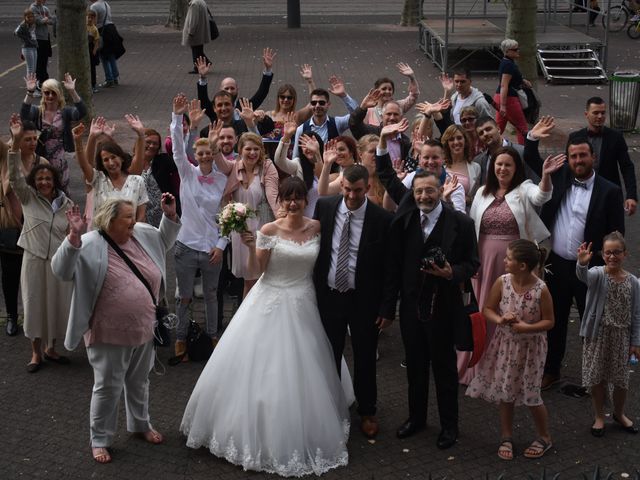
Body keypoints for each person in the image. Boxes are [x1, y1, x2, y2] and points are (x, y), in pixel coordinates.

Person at [181, 177, 349, 477]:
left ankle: (308, 422)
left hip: (305, 299)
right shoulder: (268, 230)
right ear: (280, 202)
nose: (294, 203)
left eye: (298, 197)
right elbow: (259, 270)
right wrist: (254, 243)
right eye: (288, 198)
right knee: (265, 365)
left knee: (309, 362)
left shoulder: (316, 227)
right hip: (271, 295)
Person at [51, 196, 181, 464]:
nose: (134, 221)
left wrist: (169, 218)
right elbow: (61, 270)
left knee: (139, 380)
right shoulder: (89, 243)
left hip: (144, 326)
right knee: (108, 386)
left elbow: (163, 243)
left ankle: (140, 424)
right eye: (128, 217)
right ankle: (99, 439)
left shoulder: (142, 233)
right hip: (107, 331)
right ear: (110, 221)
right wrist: (73, 236)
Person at [377, 161, 479, 449]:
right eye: (419, 191)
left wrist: (452, 273)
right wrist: (388, 309)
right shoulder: (405, 220)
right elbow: (393, 268)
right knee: (415, 368)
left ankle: (450, 426)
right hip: (411, 308)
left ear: (440, 191)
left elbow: (472, 262)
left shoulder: (461, 223)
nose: (424, 196)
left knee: (445, 370)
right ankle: (416, 418)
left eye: (430, 191)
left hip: (443, 308)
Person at [524, 118, 626, 390]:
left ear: (593, 157)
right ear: (567, 158)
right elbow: (531, 158)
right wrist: (532, 136)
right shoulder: (558, 177)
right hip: (557, 265)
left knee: (592, 323)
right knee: (554, 320)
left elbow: (616, 235)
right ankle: (552, 369)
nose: (578, 160)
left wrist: (610, 271)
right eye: (573, 156)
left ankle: (595, 377)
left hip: (590, 270)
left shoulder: (610, 191)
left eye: (583, 155)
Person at [313, 164, 393, 439]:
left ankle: (368, 410)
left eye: (357, 191)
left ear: (367, 188)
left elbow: (389, 269)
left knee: (365, 356)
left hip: (364, 301)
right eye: (346, 189)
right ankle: (330, 407)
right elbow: (316, 251)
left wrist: (386, 307)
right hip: (330, 296)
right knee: (328, 354)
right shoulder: (325, 208)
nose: (351, 196)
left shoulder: (382, 219)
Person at [466, 240, 555, 460]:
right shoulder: (502, 282)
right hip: (506, 345)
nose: (504, 261)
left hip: (531, 349)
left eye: (508, 258)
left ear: (522, 265)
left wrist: (528, 328)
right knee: (506, 391)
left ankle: (544, 437)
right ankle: (506, 436)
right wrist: (500, 318)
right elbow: (487, 309)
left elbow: (550, 322)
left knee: (532, 393)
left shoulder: (540, 289)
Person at [8, 114, 73, 373]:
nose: (44, 182)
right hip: (34, 259)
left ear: (55, 181)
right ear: (34, 182)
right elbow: (14, 177)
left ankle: (51, 348)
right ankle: (36, 353)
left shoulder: (66, 205)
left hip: (57, 262)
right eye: (40, 179)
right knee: (34, 305)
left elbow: (72, 235)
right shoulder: (28, 198)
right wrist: (14, 141)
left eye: (48, 179)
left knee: (56, 305)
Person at [170, 94, 228, 359]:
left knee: (212, 296)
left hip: (212, 251)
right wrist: (181, 121)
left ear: (214, 154)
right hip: (185, 246)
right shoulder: (187, 172)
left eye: (209, 152)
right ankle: (180, 338)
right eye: (200, 152)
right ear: (196, 155)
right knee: (184, 297)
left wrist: (221, 245)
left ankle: (214, 336)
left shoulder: (221, 180)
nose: (205, 155)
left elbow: (227, 217)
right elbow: (177, 150)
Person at [577, 233, 640, 437]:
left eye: (617, 252)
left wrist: (635, 342)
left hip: (621, 336)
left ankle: (619, 413)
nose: (612, 256)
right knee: (597, 378)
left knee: (621, 380)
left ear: (625, 254)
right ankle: (599, 416)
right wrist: (581, 264)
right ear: (602, 255)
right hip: (598, 335)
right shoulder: (597, 274)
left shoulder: (633, 283)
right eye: (608, 253)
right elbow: (583, 276)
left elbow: (637, 314)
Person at [210, 123, 279, 298]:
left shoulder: (267, 167)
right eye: (248, 149)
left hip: (263, 227)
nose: (253, 153)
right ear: (240, 151)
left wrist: (281, 222)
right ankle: (246, 320)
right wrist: (213, 145)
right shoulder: (233, 167)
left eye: (257, 149)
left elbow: (273, 195)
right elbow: (219, 162)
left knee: (263, 278)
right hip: (241, 231)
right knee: (248, 279)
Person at [0, 121, 48, 337]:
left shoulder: (42, 162)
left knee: (34, 274)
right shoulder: (7, 157)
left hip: (36, 227)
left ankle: (33, 315)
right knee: (10, 274)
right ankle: (11, 315)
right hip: (11, 225)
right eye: (26, 139)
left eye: (34, 139)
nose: (31, 143)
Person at [568, 97, 637, 216]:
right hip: (581, 194)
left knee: (614, 232)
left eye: (603, 113)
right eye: (595, 113)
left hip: (609, 195)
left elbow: (627, 167)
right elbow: (568, 167)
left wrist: (631, 196)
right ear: (586, 114)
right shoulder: (575, 137)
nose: (600, 116)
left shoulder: (616, 137)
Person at [73, 117, 148, 225]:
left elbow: (141, 217)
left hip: (128, 237)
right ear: (102, 164)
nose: (111, 163)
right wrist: (87, 138)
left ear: (121, 158)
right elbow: (85, 164)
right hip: (101, 238)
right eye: (106, 160)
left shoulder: (136, 180)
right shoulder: (97, 179)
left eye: (113, 157)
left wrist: (141, 135)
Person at [21, 73, 87, 193]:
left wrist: (72, 91)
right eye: (47, 93)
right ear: (43, 94)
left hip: (60, 159)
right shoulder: (37, 112)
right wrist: (30, 92)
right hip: (40, 156)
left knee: (61, 189)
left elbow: (81, 112)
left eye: (54, 93)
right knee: (41, 187)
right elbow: (24, 115)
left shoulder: (65, 112)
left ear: (59, 94)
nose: (50, 96)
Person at [197, 48, 275, 122]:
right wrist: (203, 78)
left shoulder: (244, 105)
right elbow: (203, 100)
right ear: (220, 90)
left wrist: (268, 70)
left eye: (232, 88)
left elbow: (261, 94)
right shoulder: (216, 106)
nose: (230, 91)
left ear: (237, 89)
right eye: (226, 88)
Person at [275, 114, 323, 216]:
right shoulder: (298, 164)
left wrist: (317, 154)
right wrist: (286, 137)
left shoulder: (330, 165)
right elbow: (279, 161)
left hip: (323, 220)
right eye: (303, 145)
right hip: (301, 221)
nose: (307, 148)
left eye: (311, 144)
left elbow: (323, 177)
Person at [473, 116, 539, 185]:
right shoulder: (479, 161)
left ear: (498, 129)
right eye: (481, 133)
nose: (485, 134)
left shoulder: (522, 152)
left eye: (488, 129)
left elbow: (534, 182)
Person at [292, 88, 353, 160]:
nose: (317, 106)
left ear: (328, 104)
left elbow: (358, 115)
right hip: (310, 170)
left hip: (332, 170)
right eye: (314, 103)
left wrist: (344, 96)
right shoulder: (301, 129)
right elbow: (296, 157)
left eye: (321, 103)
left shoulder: (337, 123)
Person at [494, 39, 530, 145]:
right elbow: (504, 85)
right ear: (507, 51)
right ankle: (524, 152)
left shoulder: (507, 62)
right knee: (521, 127)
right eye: (515, 49)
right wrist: (504, 105)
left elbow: (507, 81)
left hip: (501, 97)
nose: (518, 51)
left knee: (498, 127)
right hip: (509, 99)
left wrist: (522, 80)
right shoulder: (508, 65)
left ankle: (489, 148)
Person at [440, 124, 481, 204]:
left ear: (465, 141)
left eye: (459, 138)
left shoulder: (476, 167)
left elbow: (478, 199)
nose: (456, 142)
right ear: (447, 144)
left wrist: (466, 199)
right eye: (451, 139)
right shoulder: (441, 167)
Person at [90, 0, 124, 88]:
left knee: (104, 56)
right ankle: (115, 77)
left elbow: (94, 22)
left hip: (102, 31)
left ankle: (109, 79)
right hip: (111, 30)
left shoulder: (94, 6)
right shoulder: (106, 4)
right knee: (111, 55)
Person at [30, 0, 55, 89]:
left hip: (45, 37)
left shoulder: (45, 8)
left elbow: (52, 21)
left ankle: (44, 80)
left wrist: (45, 19)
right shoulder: (33, 8)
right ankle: (38, 82)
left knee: (45, 60)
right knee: (39, 61)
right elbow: (38, 21)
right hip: (38, 38)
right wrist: (45, 19)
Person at [182, 0, 212, 72]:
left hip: (196, 32)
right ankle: (204, 63)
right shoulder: (201, 1)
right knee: (198, 49)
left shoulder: (194, 4)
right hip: (201, 31)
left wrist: (191, 32)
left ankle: (197, 67)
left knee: (195, 50)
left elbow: (193, 20)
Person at [14, 9, 38, 78]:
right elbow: (16, 32)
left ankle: (33, 85)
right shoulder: (23, 25)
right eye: (28, 17)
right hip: (27, 48)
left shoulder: (32, 24)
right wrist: (26, 39)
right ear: (25, 17)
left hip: (34, 47)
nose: (30, 18)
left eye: (32, 16)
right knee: (30, 68)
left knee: (34, 69)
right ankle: (30, 86)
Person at [86, 10, 100, 93]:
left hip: (91, 49)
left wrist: (94, 50)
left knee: (92, 68)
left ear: (94, 18)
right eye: (88, 17)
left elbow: (97, 41)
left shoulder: (94, 29)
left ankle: (93, 84)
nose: (90, 19)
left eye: (92, 18)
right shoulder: (84, 26)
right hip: (84, 48)